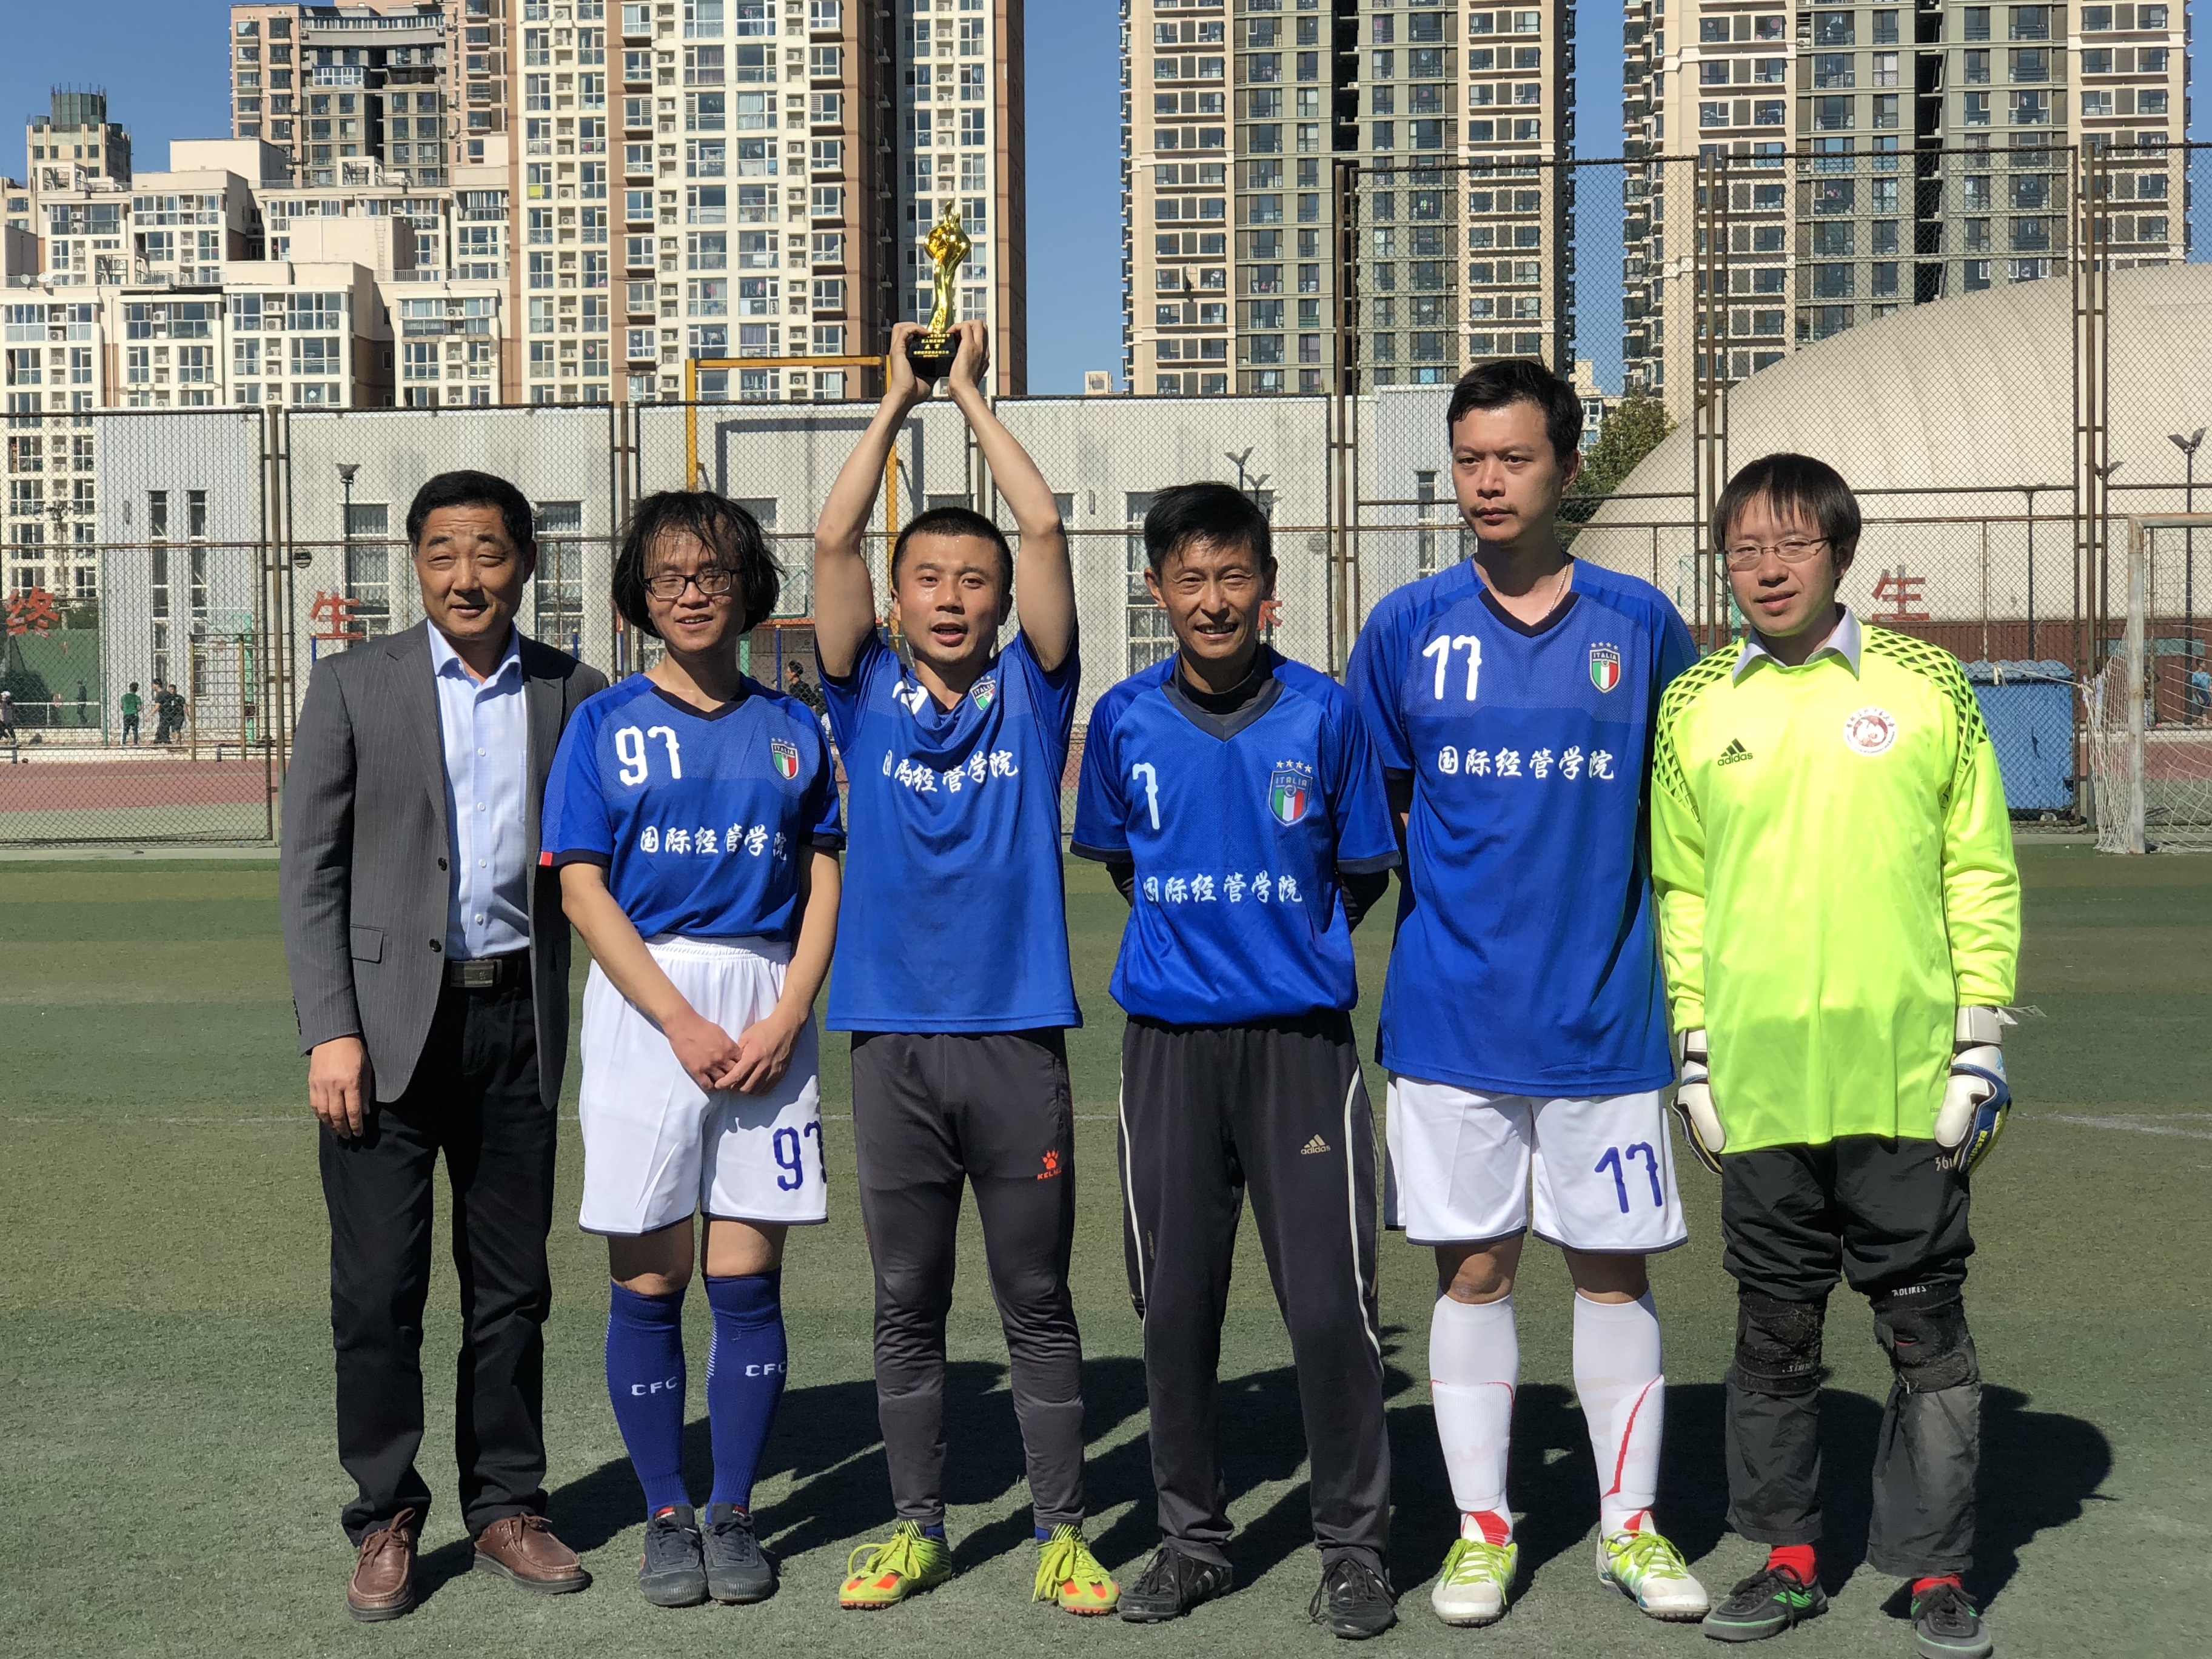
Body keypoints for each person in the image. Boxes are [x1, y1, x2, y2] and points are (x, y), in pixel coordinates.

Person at [1344, 360, 1709, 1629]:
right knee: (1475, 1276)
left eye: (1513, 458)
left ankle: (1630, 1527)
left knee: (1611, 1274)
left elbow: (1685, 805)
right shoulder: (1405, 627)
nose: (1487, 483)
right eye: (1469, 460)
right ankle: (1482, 1531)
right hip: (1451, 1021)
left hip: (1604, 1021)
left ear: (1566, 467)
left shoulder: (1640, 624)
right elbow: (1377, 809)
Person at [1651, 453, 2020, 1657]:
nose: (1766, 568)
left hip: (1905, 1081)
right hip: (1760, 1087)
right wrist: (1695, 1052)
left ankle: (1936, 1570)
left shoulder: (1926, 684)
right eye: (1744, 548)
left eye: (1792, 544)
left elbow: (1977, 870)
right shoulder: (1695, 704)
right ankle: (1787, 1558)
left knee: (1926, 1333)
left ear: (1840, 553)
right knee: (1774, 1332)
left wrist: (1979, 1043)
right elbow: (1682, 892)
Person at [812, 322, 1117, 1617]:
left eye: (973, 581)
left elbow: (1043, 528)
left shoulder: (1033, 698)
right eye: (927, 578)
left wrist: (974, 399)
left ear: (998, 605)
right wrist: (894, 404)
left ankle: (1062, 1532)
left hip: (1015, 1041)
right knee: (906, 1300)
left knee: (1035, 1296)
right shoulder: (860, 693)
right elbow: (832, 542)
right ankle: (918, 1528)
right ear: (897, 604)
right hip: (891, 1044)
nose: (950, 596)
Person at [1072, 483, 1403, 1641]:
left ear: (1268, 588)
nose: (1212, 601)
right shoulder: (1123, 719)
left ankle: (1354, 1550)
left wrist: (1281, 950)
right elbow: (1121, 861)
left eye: (1232, 578)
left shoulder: (1325, 712)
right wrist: (1201, 952)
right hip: (1168, 1048)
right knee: (1173, 1308)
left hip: (1298, 1048)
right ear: (1156, 590)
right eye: (1189, 579)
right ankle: (1191, 1541)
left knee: (1330, 1309)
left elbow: (1360, 869)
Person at [279, 469, 608, 1623]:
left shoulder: (576, 692)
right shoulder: (352, 683)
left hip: (518, 1024)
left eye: (488, 553)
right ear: (414, 565)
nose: (465, 577)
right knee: (377, 1291)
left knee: (512, 1289)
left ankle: (507, 1504)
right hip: (381, 1035)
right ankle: (384, 1512)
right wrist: (332, 1028)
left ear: (526, 563)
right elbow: (310, 870)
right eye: (441, 554)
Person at [546, 491, 843, 1609]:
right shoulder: (603, 723)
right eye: (667, 575)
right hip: (647, 1005)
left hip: (765, 1001)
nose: (690, 592)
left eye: (712, 572)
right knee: (652, 1276)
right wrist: (676, 1018)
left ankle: (734, 1510)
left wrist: (789, 1011)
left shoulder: (795, 726)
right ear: (638, 594)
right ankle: (666, 1513)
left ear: (748, 587)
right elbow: (581, 885)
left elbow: (822, 869)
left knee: (746, 1276)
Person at [121, 681, 142, 745]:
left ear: (130, 688)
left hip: (127, 714)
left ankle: (124, 742)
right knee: (135, 730)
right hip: (134, 715)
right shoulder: (137, 698)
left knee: (125, 730)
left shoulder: (124, 697)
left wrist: (125, 710)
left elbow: (121, 706)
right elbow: (139, 708)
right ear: (137, 689)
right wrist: (136, 710)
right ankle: (135, 742)